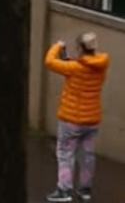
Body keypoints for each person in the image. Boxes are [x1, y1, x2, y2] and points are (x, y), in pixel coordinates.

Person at [45, 32, 109, 203]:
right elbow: (84, 65)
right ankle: (85, 190)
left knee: (65, 154)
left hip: (71, 120)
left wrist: (57, 46)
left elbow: (49, 61)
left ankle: (64, 190)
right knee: (87, 155)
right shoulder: (101, 65)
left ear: (80, 48)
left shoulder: (73, 68)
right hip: (92, 120)